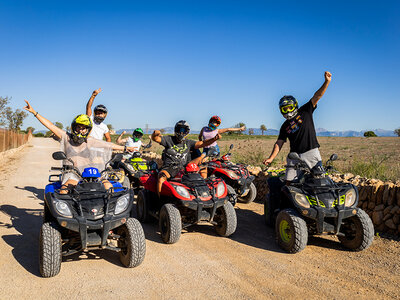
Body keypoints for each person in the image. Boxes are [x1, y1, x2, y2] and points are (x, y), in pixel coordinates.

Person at [24, 100, 136, 193]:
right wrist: (34, 112)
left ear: (88, 130)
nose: (80, 130)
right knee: (64, 191)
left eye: (84, 128)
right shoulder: (66, 137)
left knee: (109, 188)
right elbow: (50, 126)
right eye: (78, 127)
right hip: (73, 174)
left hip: (92, 174)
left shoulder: (90, 141)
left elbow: (108, 145)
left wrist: (125, 148)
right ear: (74, 127)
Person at [263, 71, 332, 182]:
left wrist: (326, 82)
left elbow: (317, 96)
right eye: (284, 109)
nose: (288, 111)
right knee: (289, 182)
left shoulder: (305, 111)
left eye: (290, 107)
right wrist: (271, 158)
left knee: (319, 180)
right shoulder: (284, 126)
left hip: (311, 152)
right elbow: (279, 143)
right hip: (294, 156)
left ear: (295, 105)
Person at [151, 120, 221, 197]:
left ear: (187, 132)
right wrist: (155, 134)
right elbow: (156, 139)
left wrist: (214, 139)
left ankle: (203, 192)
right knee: (161, 178)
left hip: (185, 167)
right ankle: (160, 200)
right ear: (176, 130)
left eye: (184, 130)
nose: (181, 133)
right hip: (170, 167)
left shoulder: (188, 142)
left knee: (203, 166)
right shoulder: (168, 139)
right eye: (180, 130)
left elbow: (203, 143)